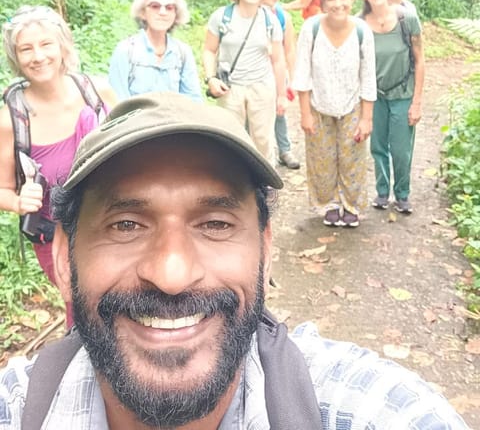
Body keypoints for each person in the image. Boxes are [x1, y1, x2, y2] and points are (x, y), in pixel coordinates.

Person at [0, 92, 470, 429]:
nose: (172, 274)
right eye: (125, 225)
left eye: (216, 224)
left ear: (266, 250)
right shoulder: (16, 408)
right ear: (63, 258)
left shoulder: (368, 409)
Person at [0, 5, 116, 323]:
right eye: (26, 48)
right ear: (16, 57)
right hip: (55, 236)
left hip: (114, 224)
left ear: (62, 46)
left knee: (125, 300)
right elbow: (3, 188)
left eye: (46, 44)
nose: (38, 56)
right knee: (84, 310)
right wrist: (17, 200)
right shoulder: (11, 119)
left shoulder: (98, 92)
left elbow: (132, 148)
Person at [292, 0, 377, 227]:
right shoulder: (312, 28)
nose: (338, 4)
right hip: (319, 106)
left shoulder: (362, 31)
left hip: (351, 107)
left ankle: (351, 205)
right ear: (323, 1)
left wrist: (366, 118)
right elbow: (302, 72)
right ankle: (328, 203)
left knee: (353, 159)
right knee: (321, 159)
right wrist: (305, 113)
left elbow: (368, 76)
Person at [203, 0, 287, 164]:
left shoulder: (270, 20)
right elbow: (209, 49)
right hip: (230, 87)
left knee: (263, 139)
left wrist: (282, 94)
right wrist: (210, 78)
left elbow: (278, 59)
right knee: (230, 137)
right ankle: (232, 183)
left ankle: (265, 186)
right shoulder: (222, 17)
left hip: (261, 85)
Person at [359, 0, 425, 214]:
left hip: (403, 94)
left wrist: (416, 101)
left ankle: (403, 193)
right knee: (377, 146)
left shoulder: (407, 19)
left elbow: (420, 60)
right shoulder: (360, 23)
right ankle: (382, 192)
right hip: (374, 96)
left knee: (401, 148)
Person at [108, 0, 202, 101]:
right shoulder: (126, 50)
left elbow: (193, 99)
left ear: (176, 15)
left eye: (169, 8)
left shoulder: (183, 53)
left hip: (174, 117)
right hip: (135, 118)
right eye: (155, 6)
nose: (162, 12)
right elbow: (117, 101)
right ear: (143, 13)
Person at [264, 0, 300, 169]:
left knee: (280, 111)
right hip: (257, 72)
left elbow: (290, 49)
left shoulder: (282, 16)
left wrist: (292, 78)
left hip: (278, 71)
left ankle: (284, 149)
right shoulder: (252, 14)